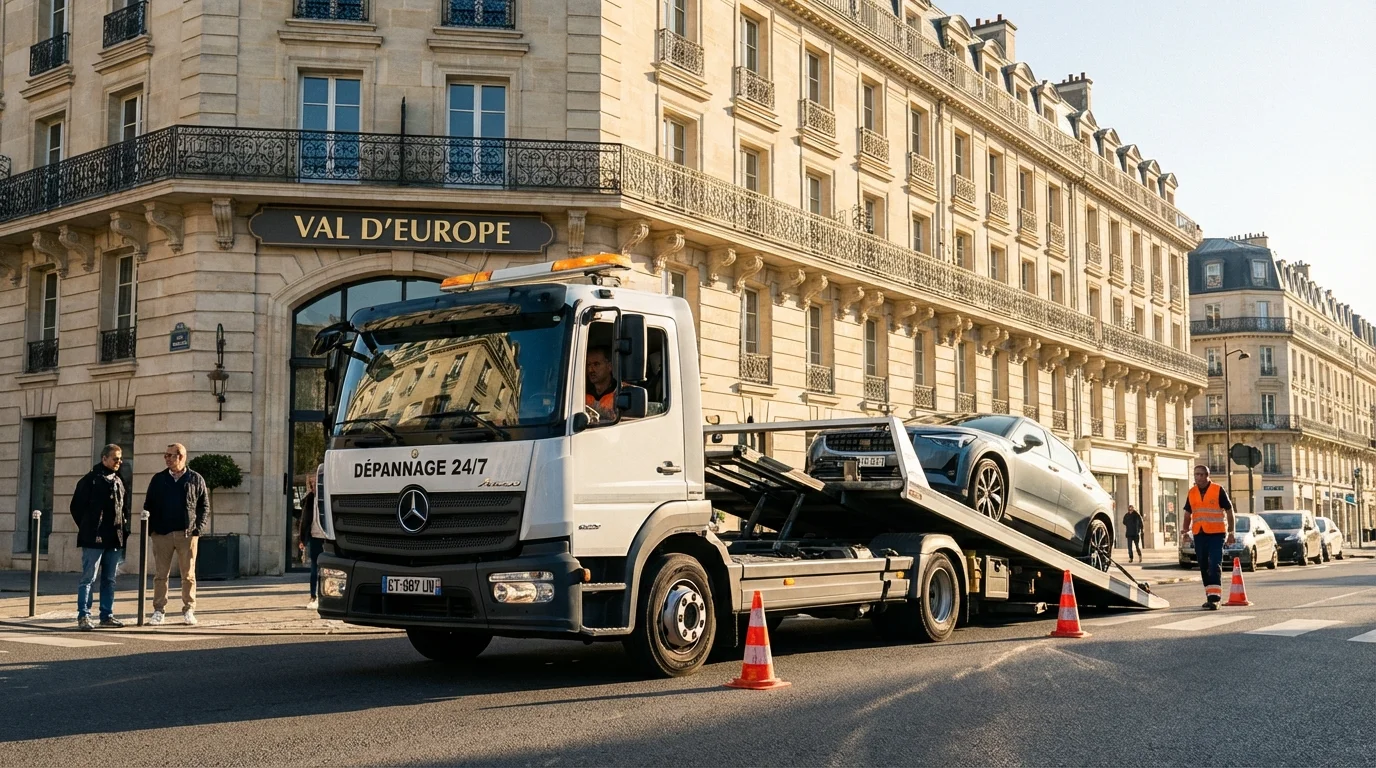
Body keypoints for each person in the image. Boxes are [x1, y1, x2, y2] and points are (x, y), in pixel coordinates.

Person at [144, 443, 210, 626]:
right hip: (162, 534)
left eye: (170, 455)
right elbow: (148, 504)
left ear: (180, 457)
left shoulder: (195, 478)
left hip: (187, 534)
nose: (166, 459)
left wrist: (198, 528)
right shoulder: (158, 479)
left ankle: (189, 609)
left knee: (188, 575)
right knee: (160, 575)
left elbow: (204, 506)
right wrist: (153, 530)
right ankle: (159, 610)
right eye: (165, 455)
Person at [70, 444, 132, 630]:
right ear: (104, 458)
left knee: (109, 579)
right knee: (89, 578)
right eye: (115, 459)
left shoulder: (119, 480)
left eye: (120, 459)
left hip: (114, 537)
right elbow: (76, 507)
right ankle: (84, 616)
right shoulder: (90, 480)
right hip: (94, 538)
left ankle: (107, 614)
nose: (119, 462)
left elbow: (123, 508)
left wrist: (124, 528)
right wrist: (89, 528)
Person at [1182, 464, 1236, 610]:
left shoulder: (1218, 490)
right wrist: (1185, 531)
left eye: (1201, 474)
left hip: (1217, 534)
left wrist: (1231, 532)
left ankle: (1215, 598)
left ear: (1207, 475)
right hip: (1199, 534)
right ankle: (1209, 595)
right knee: (1204, 565)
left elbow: (1230, 511)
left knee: (1214, 564)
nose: (1198, 477)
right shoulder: (1192, 492)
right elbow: (1188, 513)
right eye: (1196, 474)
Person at [298, 475, 325, 610]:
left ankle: (324, 593)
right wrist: (302, 539)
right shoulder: (309, 499)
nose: (315, 486)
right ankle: (314, 594)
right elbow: (304, 520)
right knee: (315, 566)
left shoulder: (326, 497)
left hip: (327, 536)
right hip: (315, 536)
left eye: (316, 483)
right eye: (313, 484)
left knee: (326, 567)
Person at [584, 345, 618, 422]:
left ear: (609, 366)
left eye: (596, 364)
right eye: (588, 365)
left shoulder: (622, 392)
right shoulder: (580, 394)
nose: (590, 370)